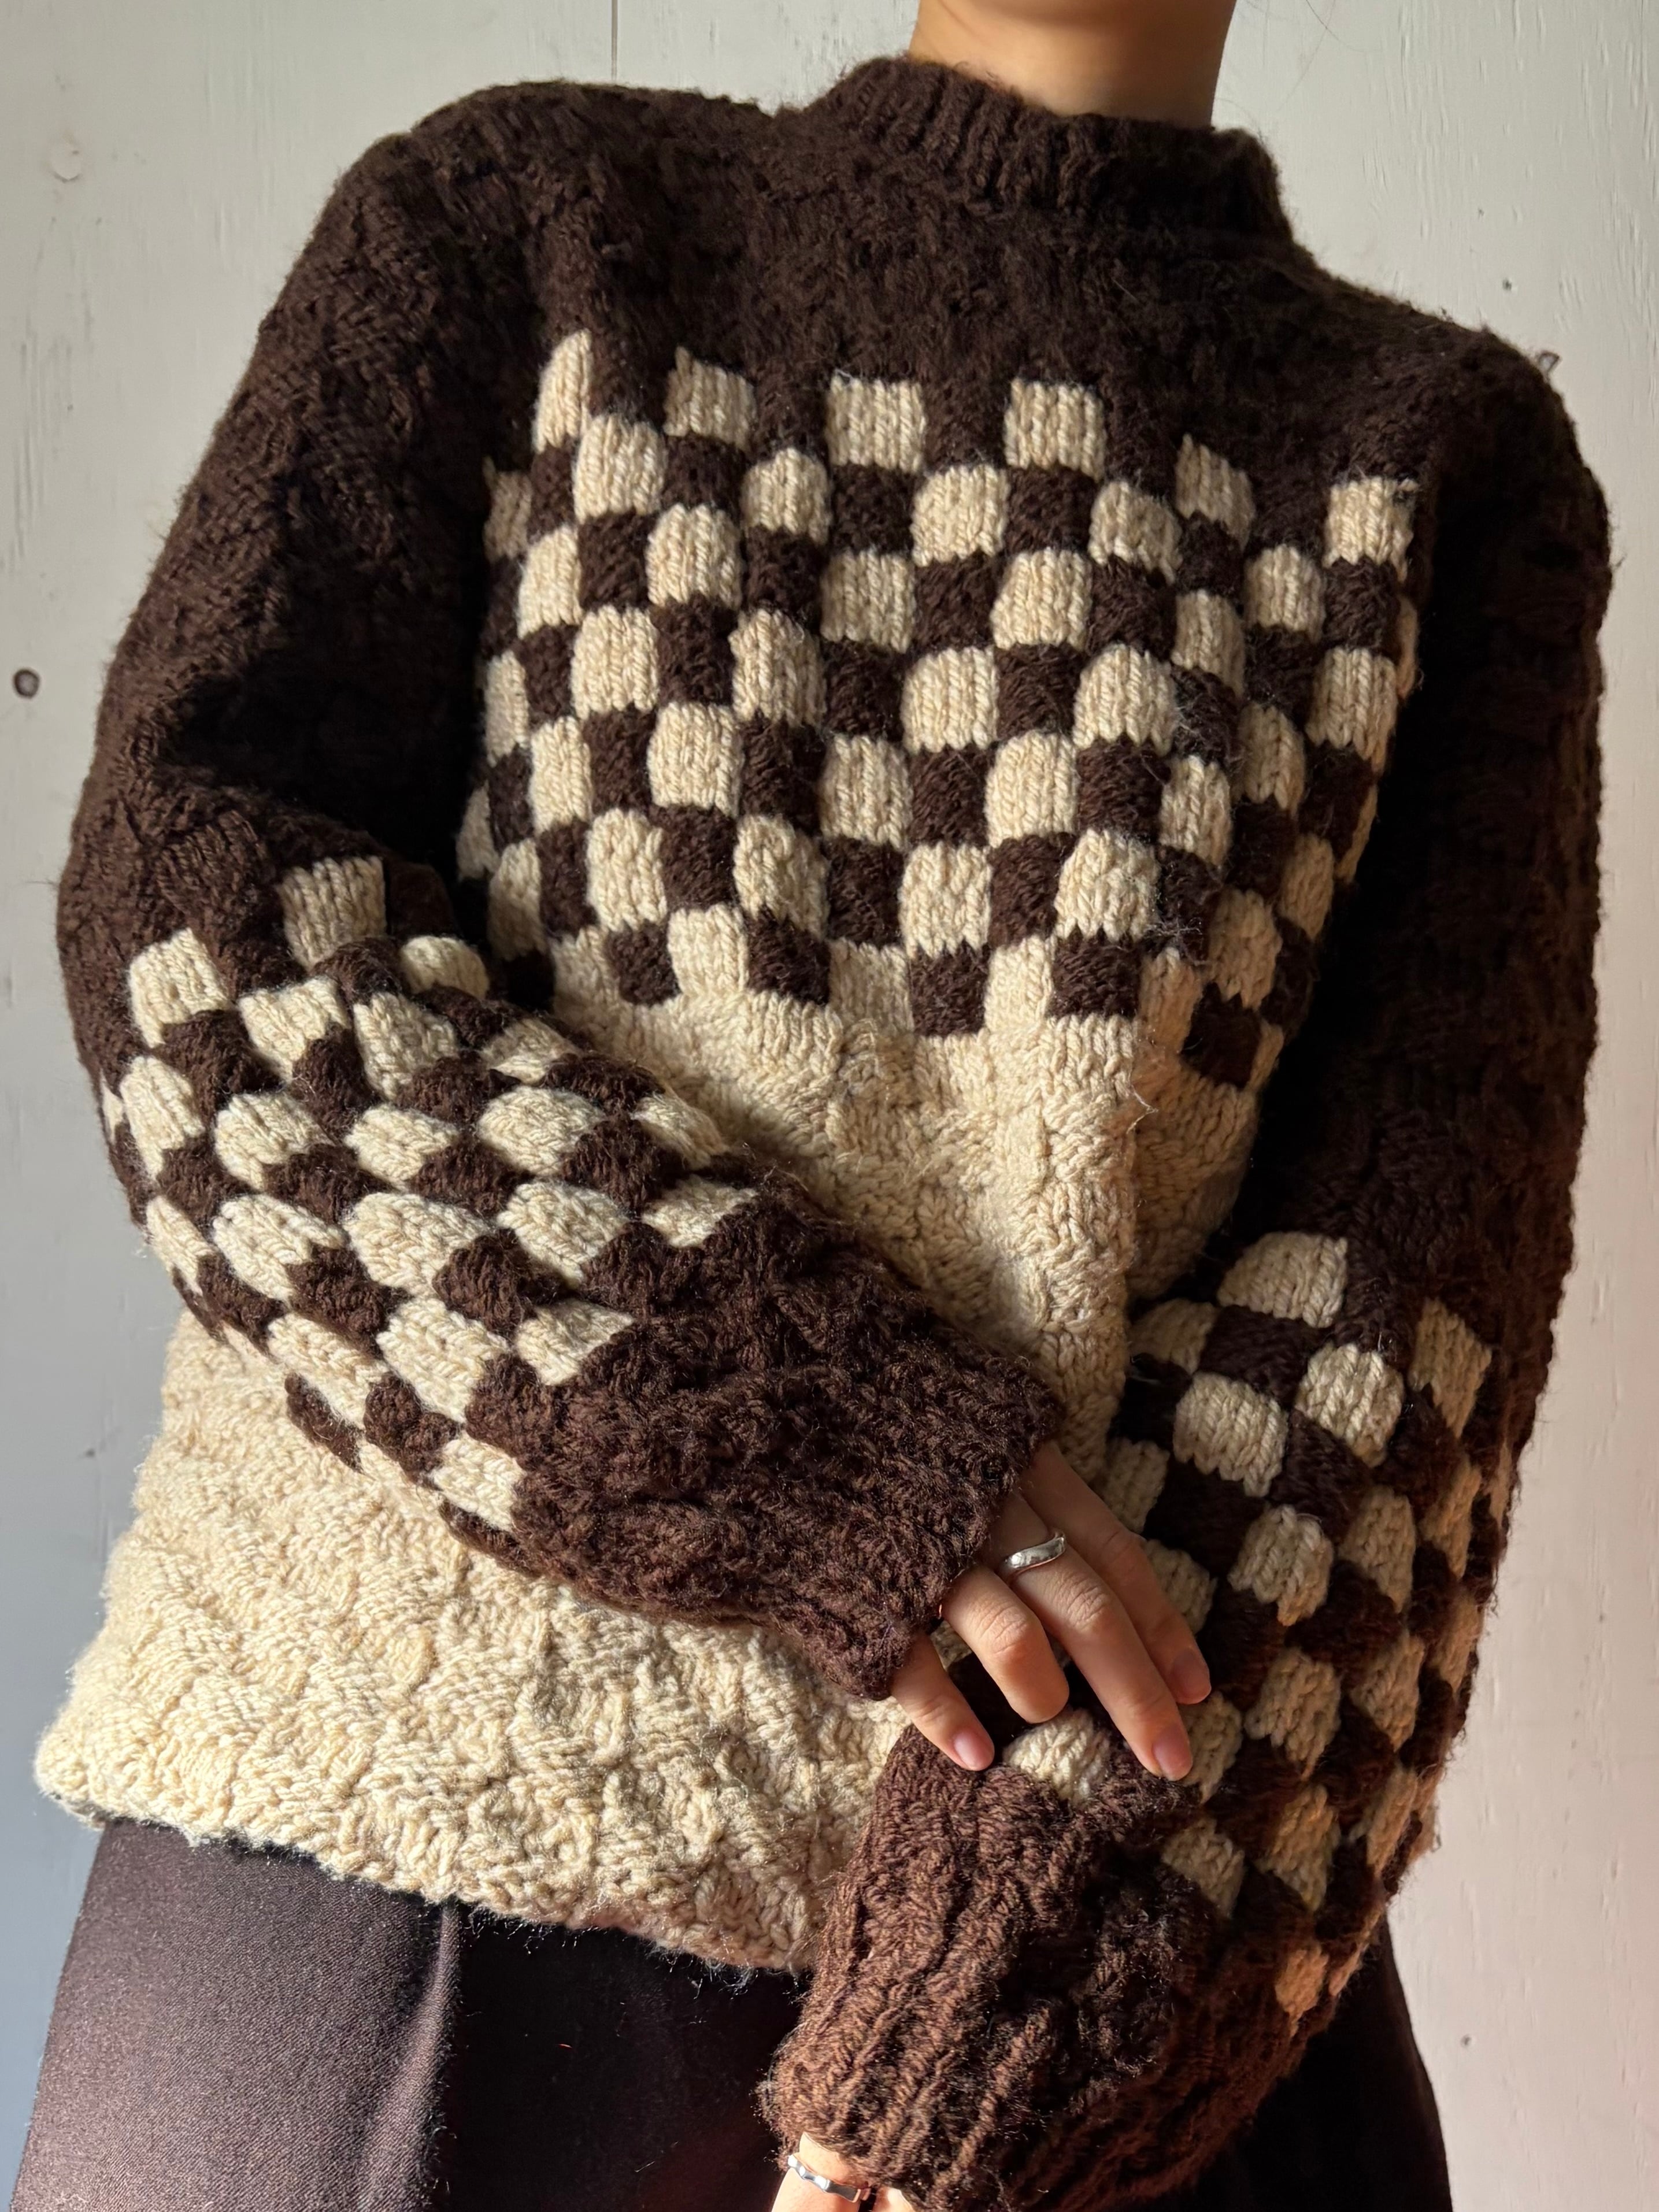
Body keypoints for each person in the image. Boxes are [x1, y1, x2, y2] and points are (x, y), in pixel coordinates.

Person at [12, 0, 1611, 2204]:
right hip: (383, 1911)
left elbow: (1412, 1328)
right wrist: (836, 1445)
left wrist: (977, 2050)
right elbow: (198, 938)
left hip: (1095, 1992)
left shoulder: (1441, 464)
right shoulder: (522, 226)